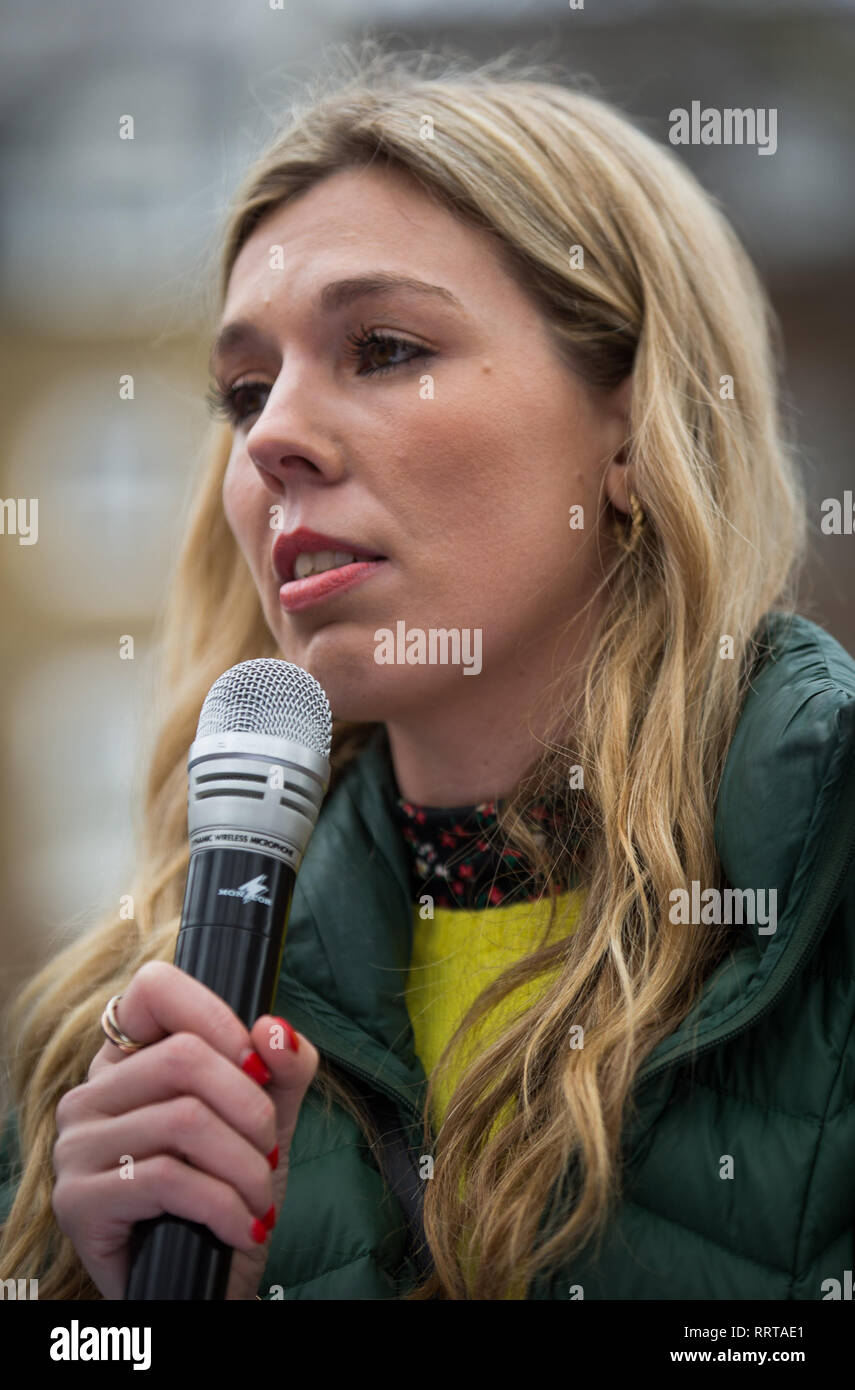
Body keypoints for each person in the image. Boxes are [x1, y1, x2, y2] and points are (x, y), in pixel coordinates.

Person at [1, 46, 854, 1302]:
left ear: (631, 420)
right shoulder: (127, 1036)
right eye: (245, 391)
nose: (275, 435)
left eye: (385, 346)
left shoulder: (820, 884)